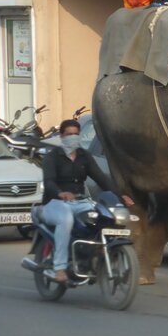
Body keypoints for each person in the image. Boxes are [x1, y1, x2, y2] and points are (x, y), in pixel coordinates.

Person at [41, 119, 134, 283]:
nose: (73, 137)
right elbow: (48, 182)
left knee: (103, 216)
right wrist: (60, 193)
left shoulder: (84, 156)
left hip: (80, 202)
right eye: (69, 134)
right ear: (61, 136)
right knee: (66, 219)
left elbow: (102, 179)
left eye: (76, 134)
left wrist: (121, 196)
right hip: (55, 203)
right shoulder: (52, 157)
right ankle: (59, 268)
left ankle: (95, 255)